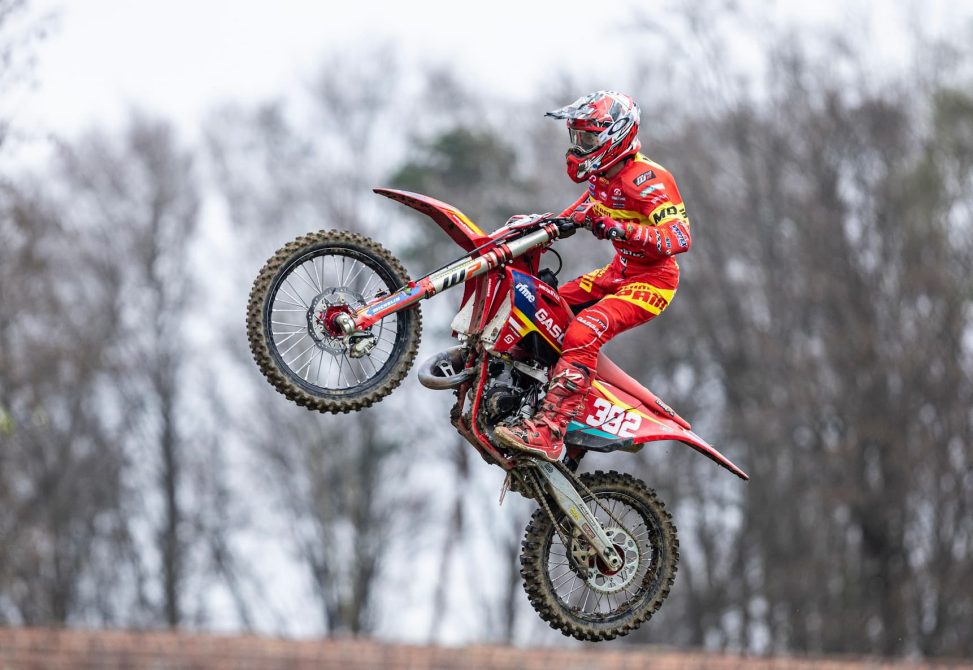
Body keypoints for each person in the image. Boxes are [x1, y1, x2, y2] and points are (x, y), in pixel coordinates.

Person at [494, 90, 692, 461]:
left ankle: (550, 430)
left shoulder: (648, 179)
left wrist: (619, 228)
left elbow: (679, 238)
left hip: (653, 281)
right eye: (576, 137)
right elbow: (585, 207)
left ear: (615, 136)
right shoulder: (602, 176)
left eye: (587, 139)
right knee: (543, 305)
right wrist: (544, 226)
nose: (578, 147)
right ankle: (516, 394)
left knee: (583, 331)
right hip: (619, 271)